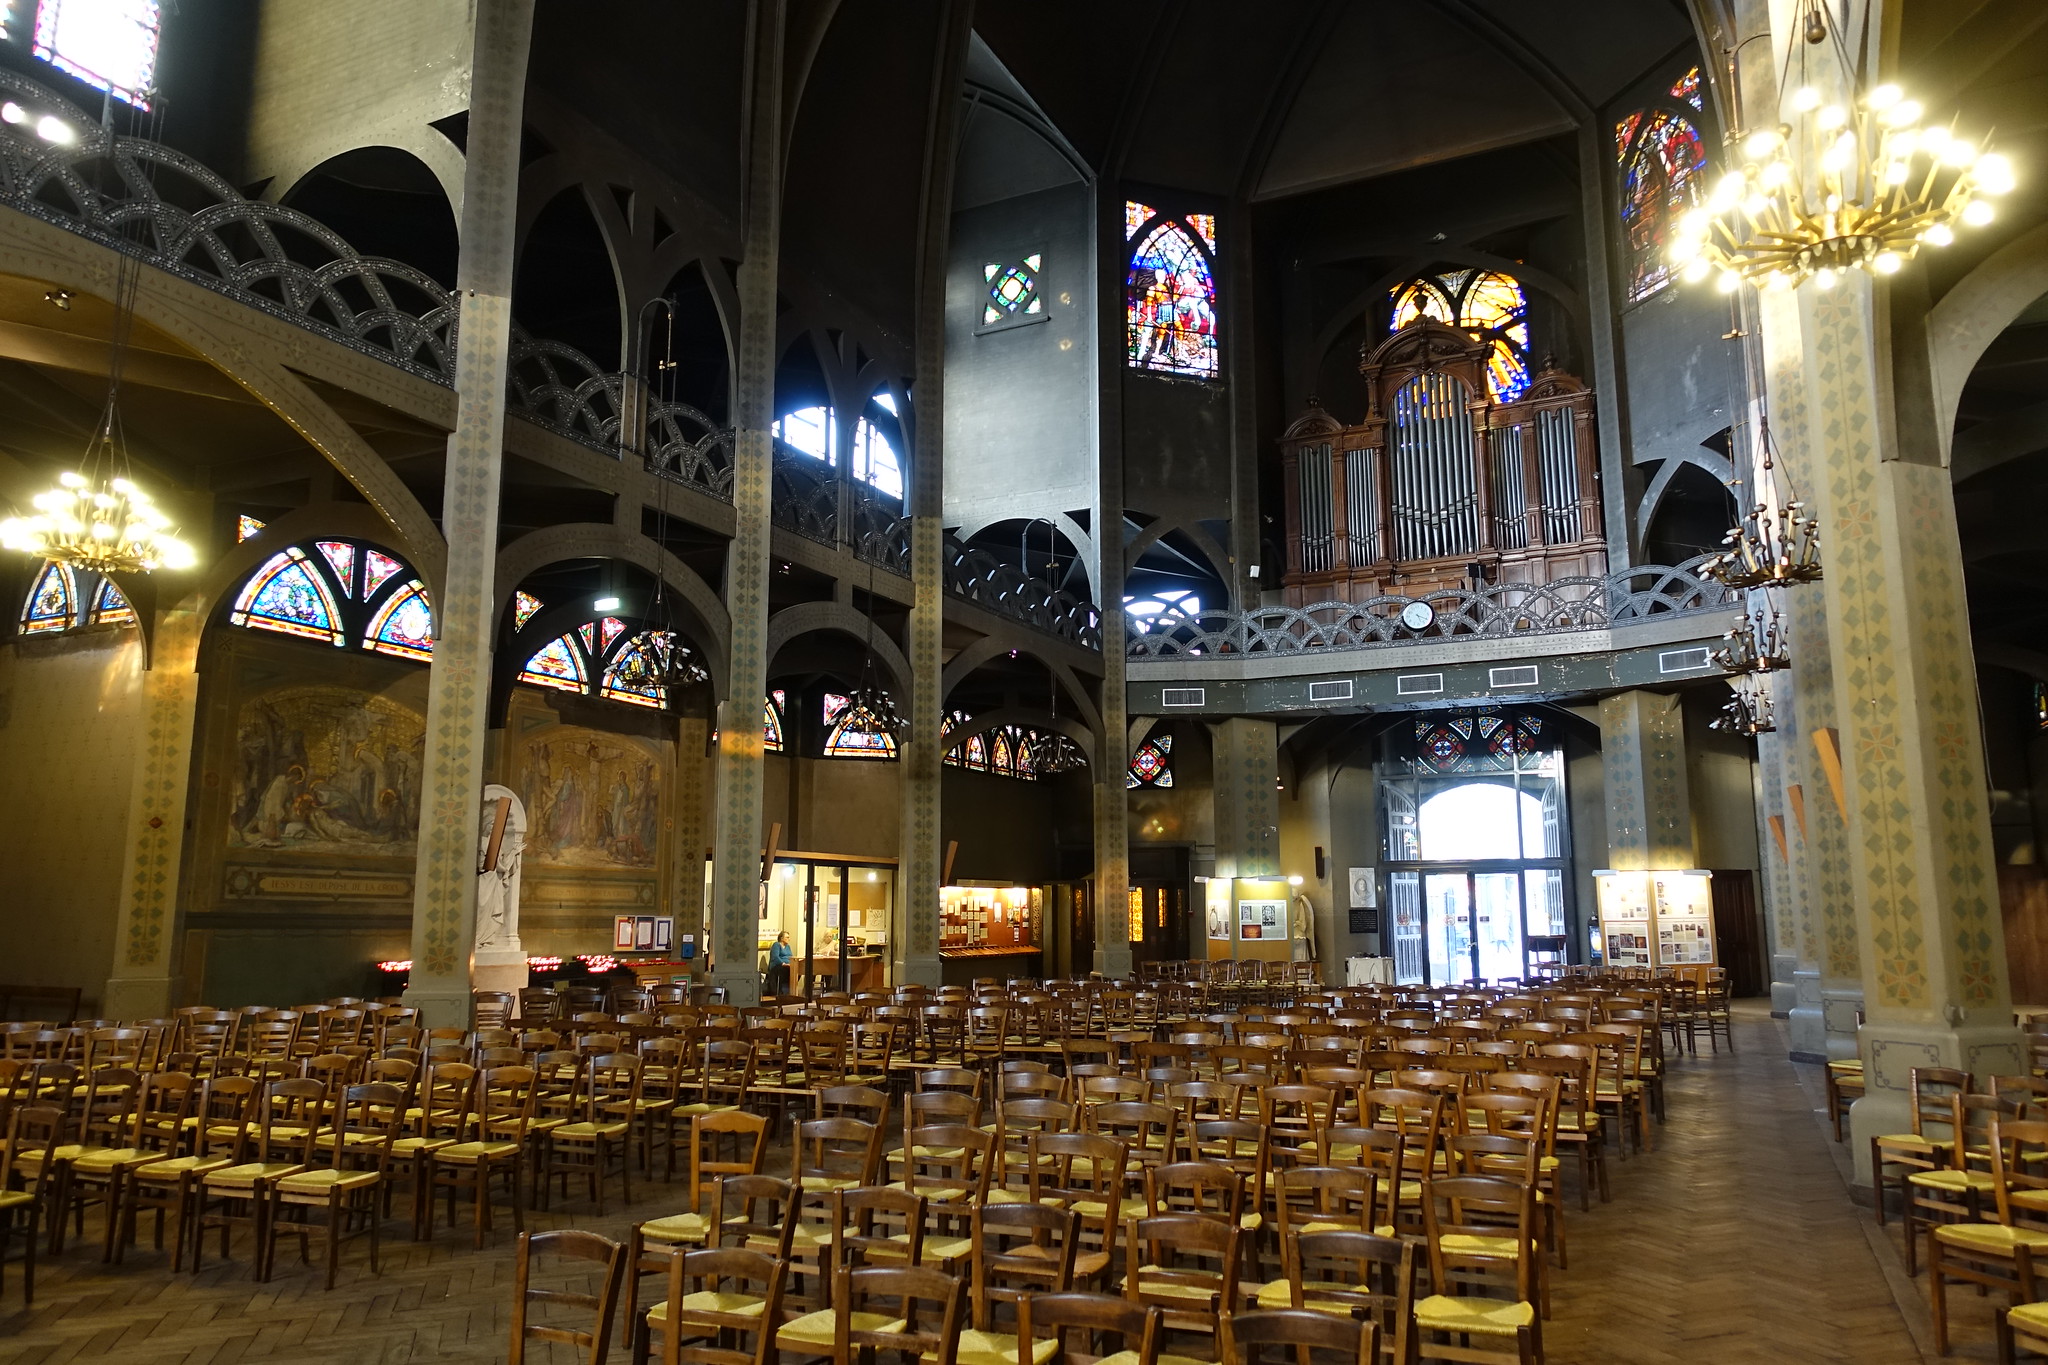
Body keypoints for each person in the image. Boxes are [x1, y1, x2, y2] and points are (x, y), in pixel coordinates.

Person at [766, 931, 793, 997]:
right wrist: (783, 963)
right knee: (785, 969)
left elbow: (790, 956)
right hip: (777, 966)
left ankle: (791, 991)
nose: (789, 939)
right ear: (781, 938)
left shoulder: (788, 947)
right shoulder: (776, 945)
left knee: (796, 971)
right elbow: (775, 957)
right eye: (787, 937)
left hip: (787, 965)